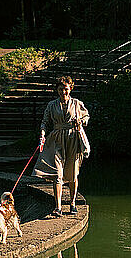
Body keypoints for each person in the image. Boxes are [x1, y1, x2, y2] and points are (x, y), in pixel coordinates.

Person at [32, 75, 90, 216]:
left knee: (72, 174)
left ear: (70, 88)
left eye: (65, 89)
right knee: (58, 174)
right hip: (56, 139)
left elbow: (86, 117)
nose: (63, 92)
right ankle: (58, 207)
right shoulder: (51, 105)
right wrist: (43, 134)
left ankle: (72, 203)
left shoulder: (77, 103)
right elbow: (45, 122)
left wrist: (81, 123)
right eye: (60, 89)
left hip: (73, 140)